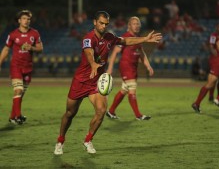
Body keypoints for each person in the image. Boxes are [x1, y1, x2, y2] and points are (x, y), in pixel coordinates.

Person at [54, 11, 162, 155]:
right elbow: (88, 51)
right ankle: (60, 141)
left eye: (106, 24)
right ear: (94, 22)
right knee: (70, 113)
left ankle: (88, 140)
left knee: (101, 111)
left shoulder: (110, 37)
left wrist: (144, 39)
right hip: (81, 81)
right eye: (101, 23)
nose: (104, 26)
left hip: (96, 83)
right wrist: (92, 63)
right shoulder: (88, 38)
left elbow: (125, 41)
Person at [105, 16, 154, 121]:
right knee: (132, 88)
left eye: (138, 24)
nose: (137, 26)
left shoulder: (138, 38)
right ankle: (138, 115)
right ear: (129, 26)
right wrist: (110, 68)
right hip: (126, 66)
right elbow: (114, 53)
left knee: (124, 90)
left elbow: (142, 54)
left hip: (133, 67)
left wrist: (148, 65)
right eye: (134, 24)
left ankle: (111, 111)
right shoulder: (125, 37)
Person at [0, 10, 43, 124]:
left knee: (20, 93)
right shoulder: (13, 34)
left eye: (28, 19)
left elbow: (40, 48)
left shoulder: (34, 33)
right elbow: (5, 49)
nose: (26, 21)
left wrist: (31, 48)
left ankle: (12, 117)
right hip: (16, 66)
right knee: (18, 90)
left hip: (28, 67)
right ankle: (18, 116)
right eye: (24, 18)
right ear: (19, 21)